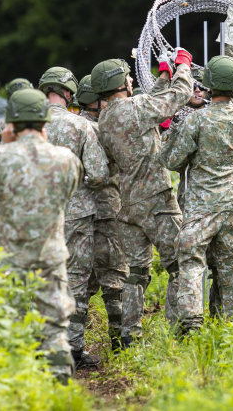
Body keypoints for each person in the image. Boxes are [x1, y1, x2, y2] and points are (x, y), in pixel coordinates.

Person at [0, 89, 81, 382]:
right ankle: (59, 385)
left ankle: (14, 384)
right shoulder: (64, 158)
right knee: (55, 325)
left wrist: (4, 145)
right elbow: (68, 192)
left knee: (7, 322)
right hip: (50, 254)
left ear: (12, 122)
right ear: (44, 120)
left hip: (9, 255)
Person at [90, 50, 192, 344]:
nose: (133, 79)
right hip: (157, 200)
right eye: (128, 77)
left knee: (136, 273)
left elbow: (149, 107)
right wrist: (183, 66)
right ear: (121, 84)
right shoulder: (135, 108)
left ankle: (129, 336)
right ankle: (181, 333)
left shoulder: (107, 118)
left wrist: (163, 74)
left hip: (128, 205)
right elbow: (180, 95)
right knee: (178, 265)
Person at [161, 55, 233, 335]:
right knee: (230, 269)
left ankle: (192, 324)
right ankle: (231, 326)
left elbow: (171, 161)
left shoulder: (197, 121)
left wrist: (171, 135)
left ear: (208, 86)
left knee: (192, 262)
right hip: (232, 207)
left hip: (200, 209)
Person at [38, 66, 109, 367]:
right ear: (69, 93)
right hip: (77, 214)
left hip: (37, 213)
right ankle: (73, 350)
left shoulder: (25, 123)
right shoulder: (81, 126)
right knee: (76, 281)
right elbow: (98, 174)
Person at [76, 74, 129, 351]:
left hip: (77, 210)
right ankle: (120, 340)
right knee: (114, 276)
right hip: (107, 206)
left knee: (81, 279)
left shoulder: (72, 126)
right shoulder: (106, 128)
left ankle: (74, 342)